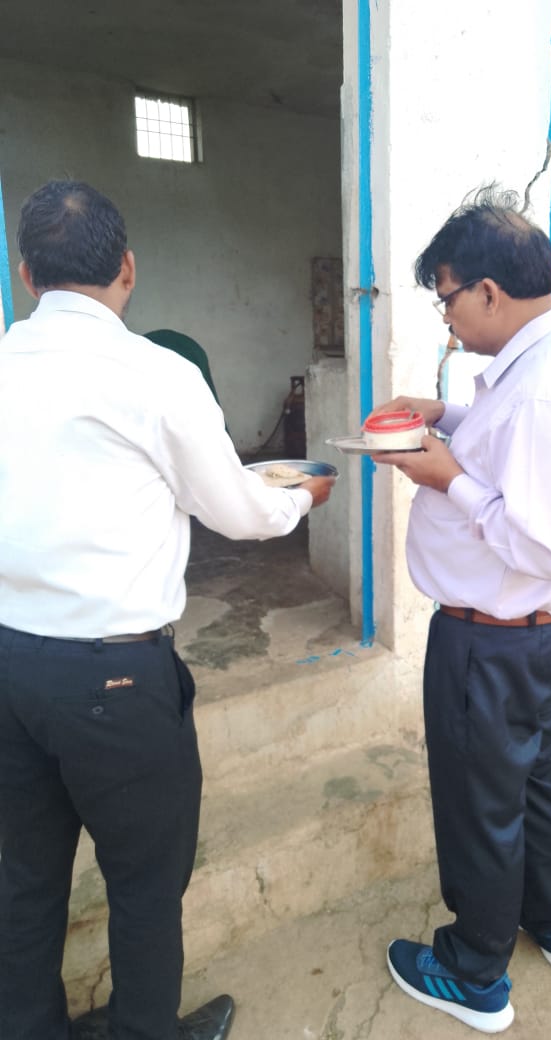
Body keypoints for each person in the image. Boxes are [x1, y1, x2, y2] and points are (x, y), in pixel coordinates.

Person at [0, 180, 335, 1040]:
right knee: (146, 883)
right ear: (128, 268)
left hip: (10, 665)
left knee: (24, 880)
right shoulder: (156, 374)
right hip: (115, 680)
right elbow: (238, 510)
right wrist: (301, 498)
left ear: (26, 274)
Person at [371, 185, 551, 1033]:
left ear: (488, 291)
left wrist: (448, 478)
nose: (445, 317)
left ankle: (475, 971)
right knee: (538, 779)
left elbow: (542, 545)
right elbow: (505, 437)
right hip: (542, 636)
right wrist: (445, 415)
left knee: (481, 802)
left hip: (495, 644)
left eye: (445, 298)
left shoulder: (544, 391)